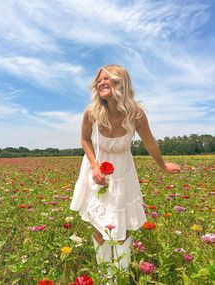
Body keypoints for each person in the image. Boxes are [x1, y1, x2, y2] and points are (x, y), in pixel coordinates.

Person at [70, 64, 180, 282]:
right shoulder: (91, 112)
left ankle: (120, 277)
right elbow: (84, 139)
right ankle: (105, 277)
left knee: (123, 226)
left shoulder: (135, 114)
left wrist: (163, 165)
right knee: (100, 225)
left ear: (121, 82)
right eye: (99, 80)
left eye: (107, 78)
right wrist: (94, 165)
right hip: (96, 169)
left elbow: (150, 142)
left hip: (122, 171)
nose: (101, 82)